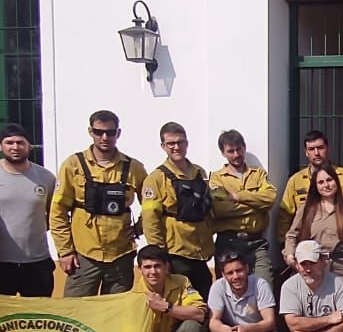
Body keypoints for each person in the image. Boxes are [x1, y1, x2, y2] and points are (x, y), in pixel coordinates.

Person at [50, 110, 149, 297]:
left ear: (118, 133)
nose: (105, 137)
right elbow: (58, 210)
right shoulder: (73, 165)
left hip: (121, 254)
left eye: (111, 132)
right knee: (76, 313)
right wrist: (65, 251)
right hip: (83, 255)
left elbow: (152, 205)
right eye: (99, 132)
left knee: (115, 313)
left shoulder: (133, 167)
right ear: (90, 131)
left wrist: (139, 228)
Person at [0, 123, 57, 297]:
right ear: (0, 146)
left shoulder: (46, 177)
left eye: (20, 142)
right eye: (9, 143)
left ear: (29, 146)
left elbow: (54, 214)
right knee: (1, 319)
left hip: (37, 262)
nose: (15, 147)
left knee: (38, 317)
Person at [141, 122, 214, 298]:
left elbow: (207, 208)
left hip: (200, 251)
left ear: (187, 143)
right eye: (171, 143)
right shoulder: (156, 179)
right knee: (183, 300)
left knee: (205, 299)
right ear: (163, 146)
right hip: (176, 253)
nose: (176, 147)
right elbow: (151, 221)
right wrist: (160, 257)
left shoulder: (199, 172)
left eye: (180, 142)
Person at [276, 130, 343, 248]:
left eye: (320, 148)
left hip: (340, 249)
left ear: (327, 148)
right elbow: (285, 214)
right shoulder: (295, 181)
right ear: (306, 152)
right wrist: (286, 247)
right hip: (306, 250)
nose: (316, 153)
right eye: (311, 149)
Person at [283, 164, 343, 288]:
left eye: (329, 180)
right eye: (321, 182)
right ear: (315, 186)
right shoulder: (306, 209)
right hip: (314, 265)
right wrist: (291, 257)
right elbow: (292, 235)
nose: (326, 185)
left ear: (336, 181)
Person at [210, 129, 277, 285]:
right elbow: (219, 209)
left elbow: (270, 199)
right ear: (223, 153)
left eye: (239, 149)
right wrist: (255, 205)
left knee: (265, 287)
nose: (236, 154)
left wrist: (237, 197)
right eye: (230, 151)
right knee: (229, 291)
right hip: (228, 242)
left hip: (256, 243)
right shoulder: (217, 178)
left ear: (244, 148)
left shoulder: (258, 174)